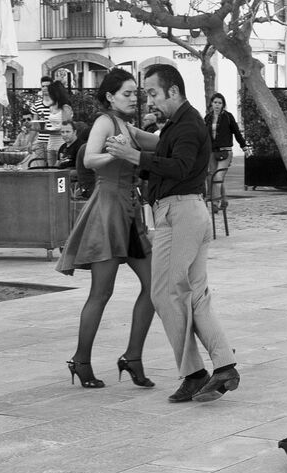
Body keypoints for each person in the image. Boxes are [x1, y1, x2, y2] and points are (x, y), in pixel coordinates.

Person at [103, 63, 241, 404]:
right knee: (194, 296)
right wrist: (134, 141)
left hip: (179, 215)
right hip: (186, 212)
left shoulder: (189, 125)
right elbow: (166, 155)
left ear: (173, 91)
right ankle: (224, 367)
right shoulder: (180, 123)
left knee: (165, 294)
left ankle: (194, 374)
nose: (149, 100)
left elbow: (178, 167)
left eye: (153, 93)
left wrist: (133, 155)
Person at [56, 68, 158, 390]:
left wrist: (183, 128)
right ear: (110, 96)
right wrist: (115, 153)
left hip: (128, 213)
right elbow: (89, 160)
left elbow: (159, 143)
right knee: (101, 292)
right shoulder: (104, 122)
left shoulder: (126, 125)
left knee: (154, 287)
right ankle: (81, 360)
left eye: (135, 93)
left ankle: (132, 357)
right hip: (108, 211)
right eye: (127, 93)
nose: (133, 98)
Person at [204, 93, 248, 209]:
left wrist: (244, 147)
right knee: (215, 177)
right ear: (211, 104)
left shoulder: (228, 117)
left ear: (223, 105)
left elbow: (237, 133)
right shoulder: (208, 118)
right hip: (212, 152)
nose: (217, 105)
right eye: (215, 102)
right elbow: (204, 136)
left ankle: (215, 203)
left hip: (225, 152)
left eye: (220, 103)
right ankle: (224, 200)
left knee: (218, 177)